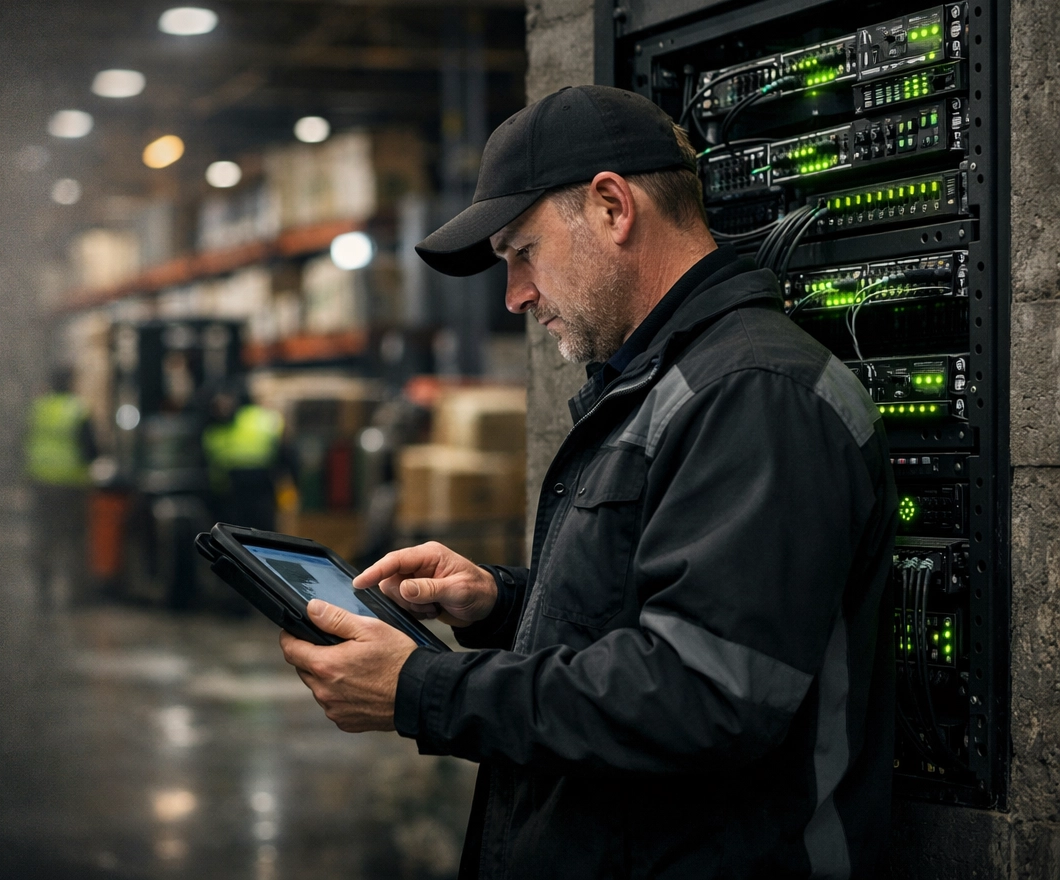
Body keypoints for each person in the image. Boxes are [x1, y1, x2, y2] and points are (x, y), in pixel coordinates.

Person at [278, 85, 897, 879]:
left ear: (612, 207)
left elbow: (704, 693)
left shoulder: (753, 396)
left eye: (522, 252)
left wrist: (423, 688)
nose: (515, 295)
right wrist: (504, 602)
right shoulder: (663, 384)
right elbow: (661, 604)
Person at [25, 366, 96, 607]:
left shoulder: (37, 408)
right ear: (71, 383)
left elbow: (21, 444)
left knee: (45, 537)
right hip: (72, 486)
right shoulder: (78, 409)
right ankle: (76, 597)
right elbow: (92, 450)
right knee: (74, 539)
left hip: (42, 484)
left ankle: (43, 593)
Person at [200, 379, 286, 532]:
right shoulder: (210, 432)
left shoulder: (258, 418)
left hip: (261, 487)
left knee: (264, 535)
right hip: (232, 493)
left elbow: (284, 451)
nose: (223, 407)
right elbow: (212, 468)